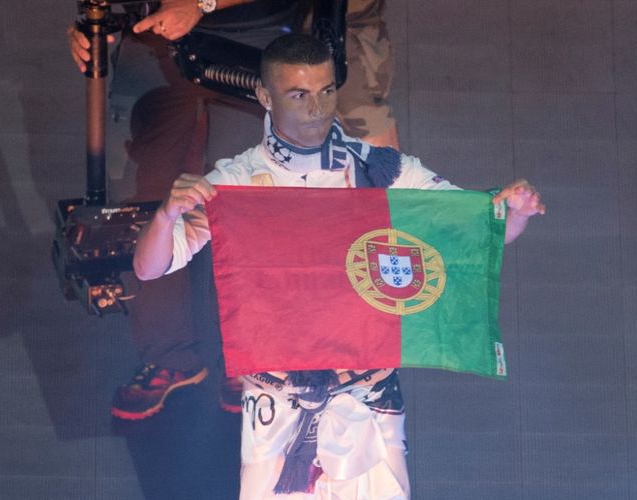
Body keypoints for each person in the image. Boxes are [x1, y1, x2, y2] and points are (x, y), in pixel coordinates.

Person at [133, 33, 543, 498]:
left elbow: (480, 231)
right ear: (265, 96)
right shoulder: (236, 182)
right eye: (299, 94)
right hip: (275, 406)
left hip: (366, 403)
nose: (317, 108)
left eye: (326, 90)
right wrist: (166, 216)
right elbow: (149, 268)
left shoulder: (381, 171)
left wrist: (516, 212)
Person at [66, 0, 399, 419]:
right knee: (147, 197)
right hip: (154, 37)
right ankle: (169, 357)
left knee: (250, 204)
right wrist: (93, 24)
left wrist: (203, 3)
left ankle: (250, 358)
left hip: (260, 36)